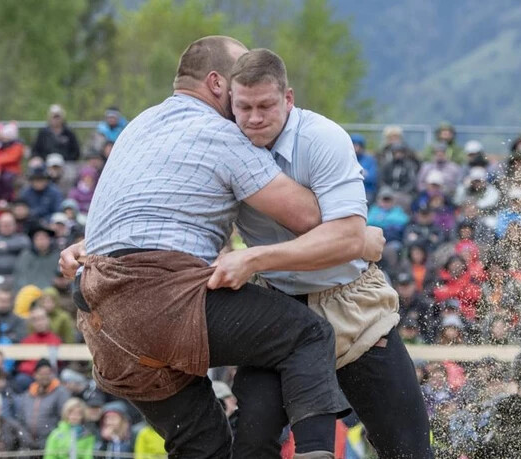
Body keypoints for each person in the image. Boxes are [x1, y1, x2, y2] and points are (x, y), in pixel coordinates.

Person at [59, 36, 355, 459]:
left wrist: (83, 244)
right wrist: (356, 224)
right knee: (308, 334)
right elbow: (308, 216)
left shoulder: (137, 127)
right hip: (161, 300)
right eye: (238, 88)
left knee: (205, 448)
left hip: (100, 318)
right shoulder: (221, 133)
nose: (243, 106)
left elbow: (140, 212)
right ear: (218, 83)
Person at [220, 49, 431, 458]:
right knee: (249, 443)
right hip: (275, 307)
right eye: (243, 107)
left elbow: (347, 239)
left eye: (265, 106)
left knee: (408, 449)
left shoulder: (322, 138)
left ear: (288, 99)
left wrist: (255, 258)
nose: (253, 118)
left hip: (349, 300)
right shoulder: (224, 141)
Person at [16, 359, 71, 449]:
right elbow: (21, 419)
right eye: (41, 373)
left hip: (52, 441)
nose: (44, 376)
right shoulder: (27, 395)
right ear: (35, 375)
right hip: (28, 443)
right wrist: (26, 437)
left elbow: (64, 418)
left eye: (47, 373)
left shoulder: (61, 392)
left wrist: (51, 436)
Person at [0, 211, 31, 278]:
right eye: (4, 225)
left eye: (9, 224)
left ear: (15, 225)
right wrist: (13, 249)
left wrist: (6, 246)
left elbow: (25, 246)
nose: (6, 227)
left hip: (17, 275)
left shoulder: (22, 238)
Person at [13, 225, 60, 291]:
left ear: (49, 240)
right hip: (30, 292)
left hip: (52, 293)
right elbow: (20, 277)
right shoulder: (26, 256)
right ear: (33, 241)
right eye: (38, 238)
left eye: (44, 238)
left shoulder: (57, 255)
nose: (41, 242)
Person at [0, 122, 25, 202]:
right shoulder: (0, 146)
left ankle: (9, 198)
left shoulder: (17, 146)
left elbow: (13, 158)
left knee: (7, 179)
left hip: (12, 170)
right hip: (1, 170)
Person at [351, 134, 378, 202]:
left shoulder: (369, 159)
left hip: (366, 190)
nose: (356, 148)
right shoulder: (348, 159)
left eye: (358, 145)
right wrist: (362, 173)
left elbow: (372, 177)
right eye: (354, 145)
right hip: (350, 189)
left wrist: (355, 174)